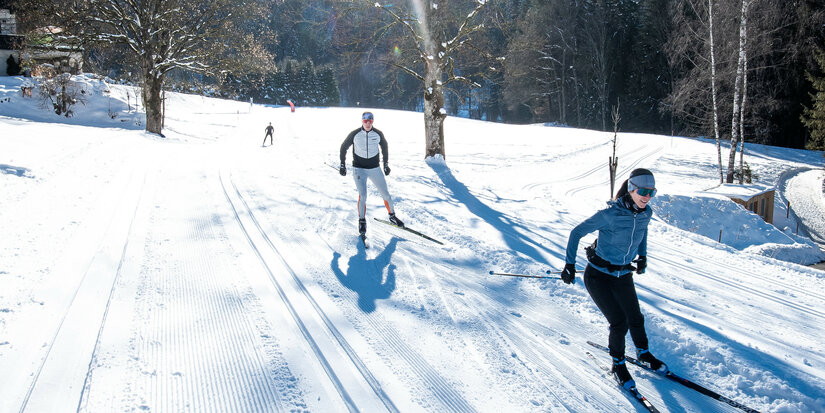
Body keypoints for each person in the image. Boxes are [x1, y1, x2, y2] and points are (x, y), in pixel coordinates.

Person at [560, 168, 667, 391]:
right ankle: (618, 364)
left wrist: (643, 255)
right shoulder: (610, 214)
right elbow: (576, 232)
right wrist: (569, 264)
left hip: (623, 274)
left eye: (652, 192)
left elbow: (643, 231)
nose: (647, 196)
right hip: (598, 276)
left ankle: (644, 353)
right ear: (631, 189)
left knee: (636, 317)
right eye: (643, 191)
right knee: (619, 322)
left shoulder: (645, 212)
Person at [339, 111, 404, 235]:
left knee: (386, 194)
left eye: (370, 121)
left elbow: (385, 148)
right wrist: (342, 164)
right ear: (362, 121)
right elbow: (343, 147)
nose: (367, 123)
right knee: (362, 195)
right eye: (365, 121)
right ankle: (362, 221)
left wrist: (386, 164)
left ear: (373, 121)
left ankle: (392, 215)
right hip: (359, 168)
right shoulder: (355, 134)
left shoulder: (378, 134)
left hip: (374, 168)